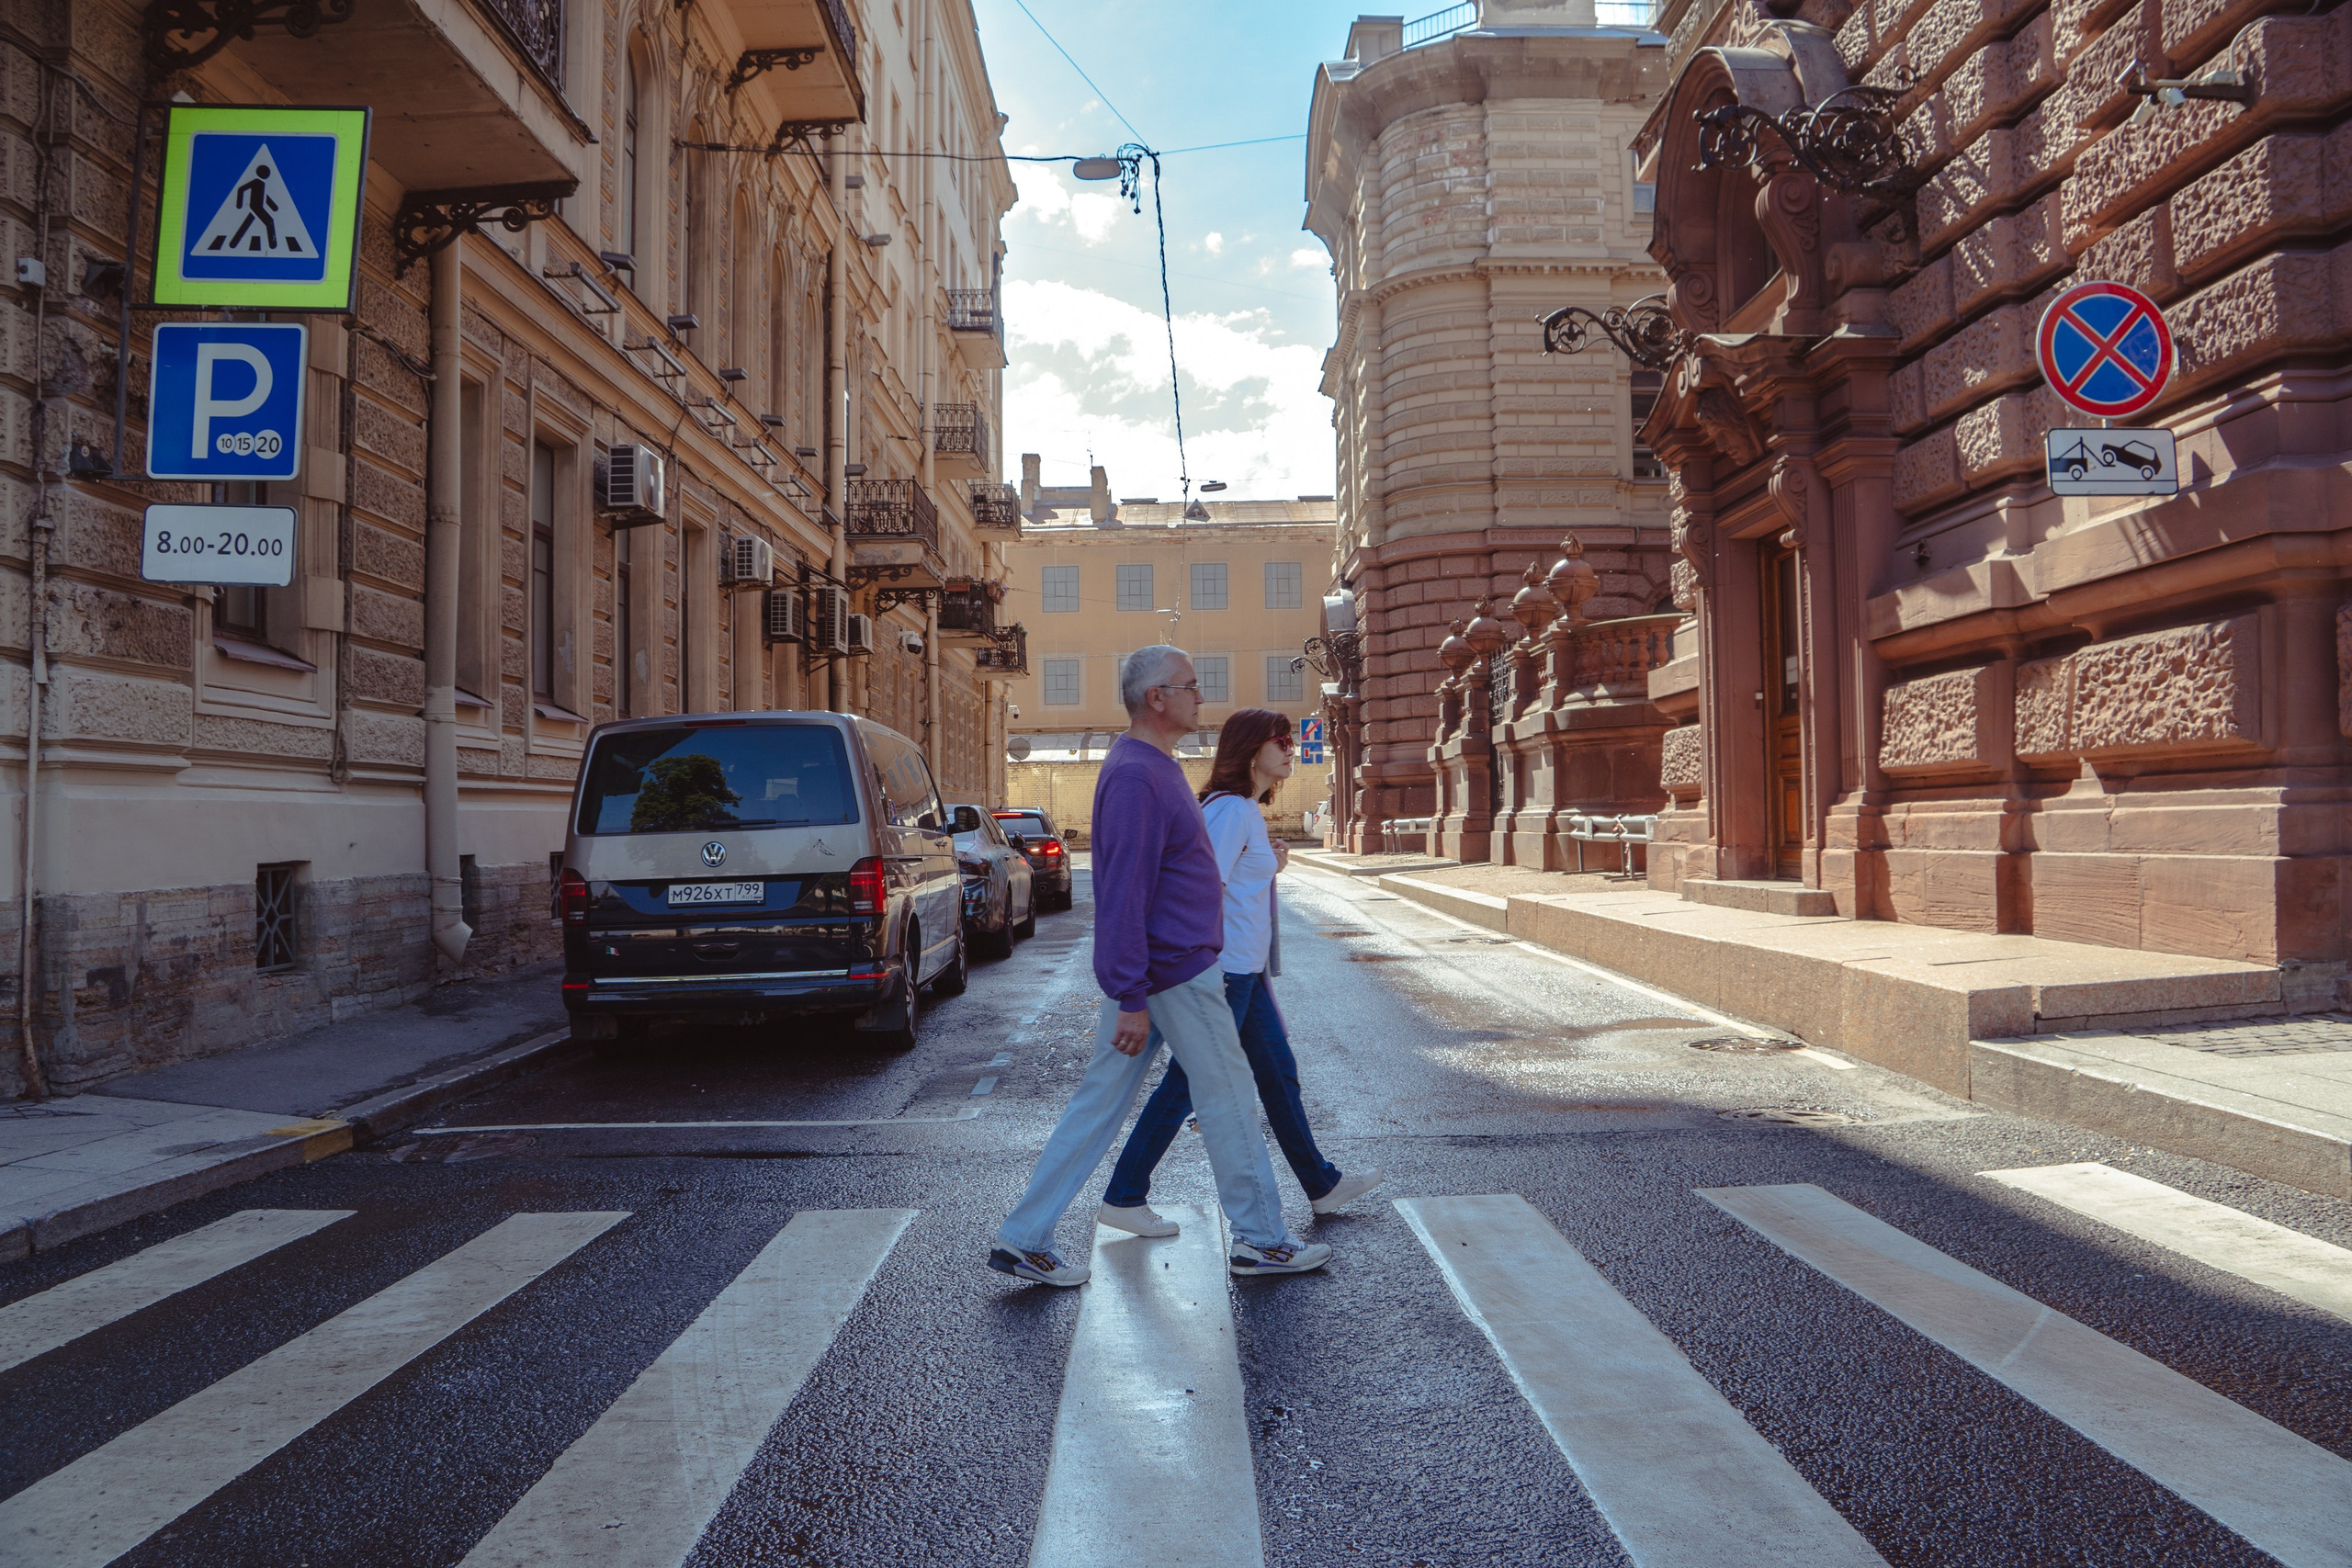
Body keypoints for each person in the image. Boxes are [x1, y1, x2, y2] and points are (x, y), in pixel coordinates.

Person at [989, 647, 1333, 1287]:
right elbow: (1123, 888)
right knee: (1229, 1097)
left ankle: (1024, 1235)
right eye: (1189, 686)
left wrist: (1132, 989)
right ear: (1156, 698)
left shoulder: (1153, 766)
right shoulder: (1137, 775)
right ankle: (1261, 1239)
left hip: (1161, 972)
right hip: (1172, 973)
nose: (1201, 696)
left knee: (1100, 1103)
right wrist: (1130, 994)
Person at [1096, 710, 1381, 1237]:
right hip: (1225, 973)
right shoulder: (1231, 810)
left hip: (1243, 972)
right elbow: (1205, 887)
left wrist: (1271, 863)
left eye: (1291, 740)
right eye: (1282, 740)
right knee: (1186, 1086)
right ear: (1253, 749)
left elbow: (1230, 877)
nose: (1292, 749)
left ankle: (1320, 1184)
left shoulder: (1241, 811)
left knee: (1279, 1077)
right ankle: (1124, 1194)